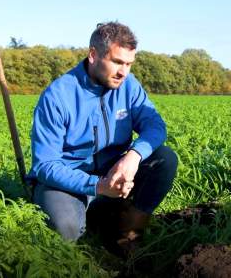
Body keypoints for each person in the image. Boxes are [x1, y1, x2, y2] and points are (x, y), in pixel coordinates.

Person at [28, 22, 178, 249]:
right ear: (93, 55)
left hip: (114, 172)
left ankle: (128, 232)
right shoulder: (58, 96)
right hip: (68, 181)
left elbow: (155, 126)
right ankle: (88, 226)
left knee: (165, 159)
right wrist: (97, 185)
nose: (123, 72)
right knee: (66, 228)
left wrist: (134, 156)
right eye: (117, 62)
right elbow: (45, 165)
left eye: (129, 63)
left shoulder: (129, 86)